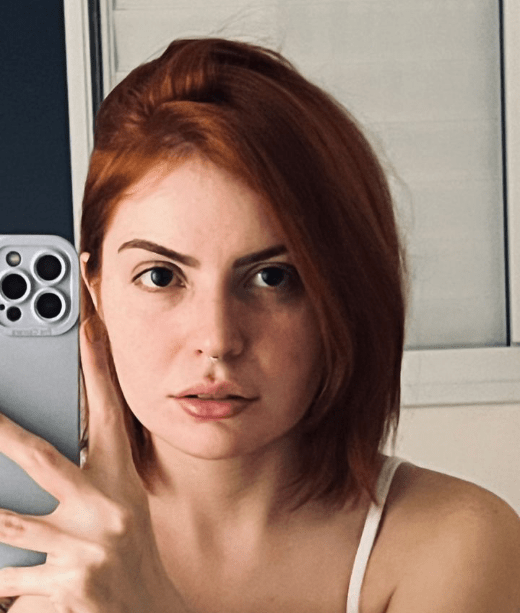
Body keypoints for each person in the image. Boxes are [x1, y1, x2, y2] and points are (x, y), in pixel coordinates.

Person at [0, 37, 518, 613]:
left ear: (340, 295)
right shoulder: (27, 540)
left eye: (272, 278)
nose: (217, 340)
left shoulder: (453, 543)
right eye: (161, 276)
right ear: (95, 292)